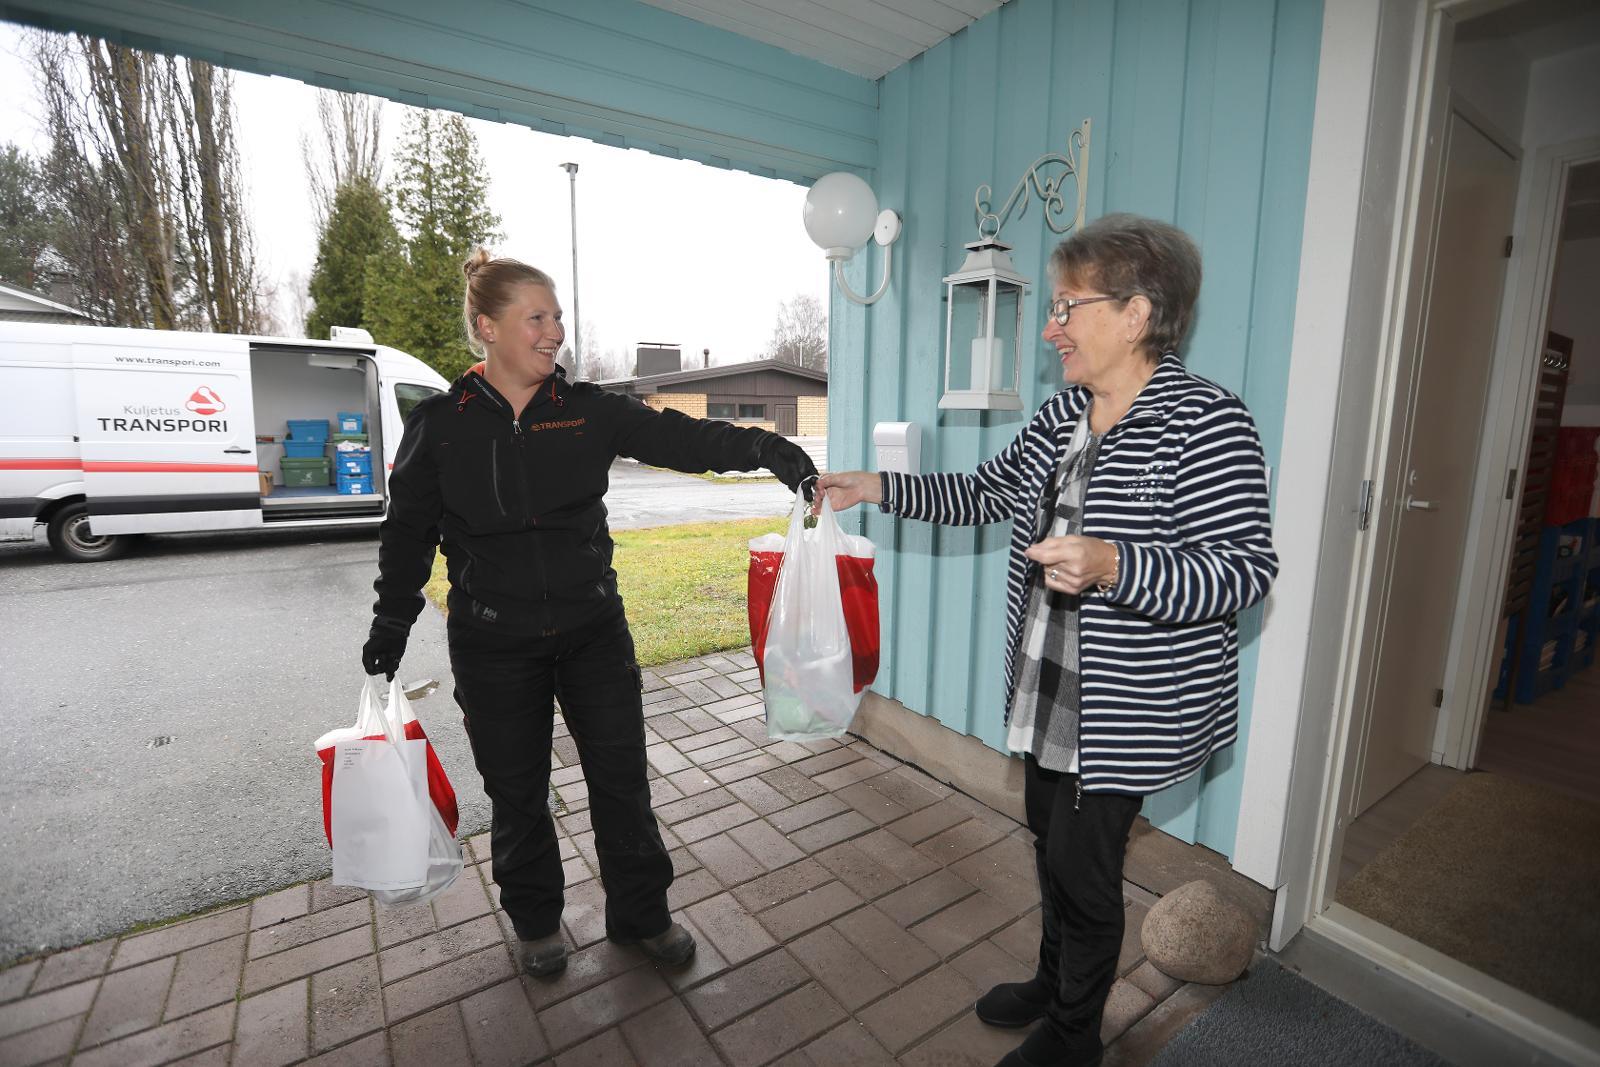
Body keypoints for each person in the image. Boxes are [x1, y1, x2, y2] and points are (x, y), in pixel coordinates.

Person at [817, 214, 1277, 1067]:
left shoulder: (1208, 422)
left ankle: (1074, 1037)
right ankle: (1050, 980)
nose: (1053, 325)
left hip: (1127, 711)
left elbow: (1244, 572)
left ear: (1137, 313)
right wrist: (875, 484)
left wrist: (1116, 564)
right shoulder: (1066, 413)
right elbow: (988, 490)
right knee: (1049, 845)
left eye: (1069, 306)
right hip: (1048, 688)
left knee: (1085, 868)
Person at [363, 250, 818, 977]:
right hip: (492, 643)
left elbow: (686, 438)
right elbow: (409, 535)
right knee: (516, 793)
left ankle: (642, 915)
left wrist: (768, 446)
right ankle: (538, 921)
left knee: (621, 781)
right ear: (487, 326)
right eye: (536, 318)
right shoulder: (441, 426)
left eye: (558, 317)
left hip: (592, 633)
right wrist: (391, 624)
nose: (554, 332)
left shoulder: (586, 411)